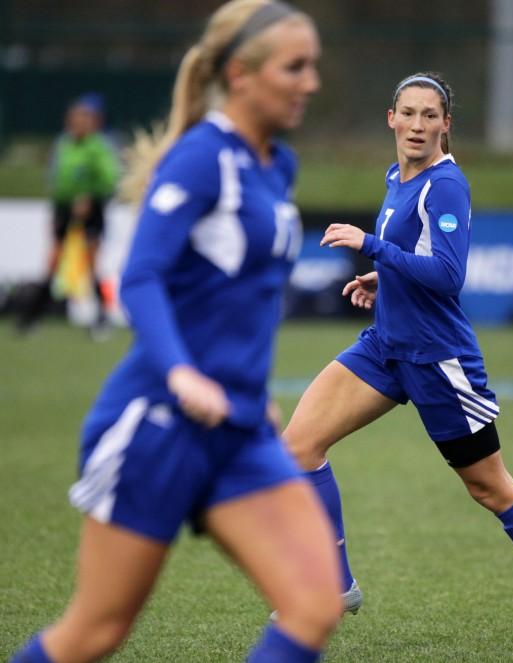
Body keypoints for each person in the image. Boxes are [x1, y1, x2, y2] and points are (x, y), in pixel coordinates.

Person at [9, 2, 341, 662]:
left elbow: (238, 294)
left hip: (238, 427)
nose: (311, 82)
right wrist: (183, 371)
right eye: (295, 67)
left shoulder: (279, 166)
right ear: (241, 75)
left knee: (314, 604)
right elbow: (140, 277)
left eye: (315, 67)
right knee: (94, 632)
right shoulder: (200, 159)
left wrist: (247, 384)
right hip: (157, 424)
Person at [281, 71, 513, 660]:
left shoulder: (444, 186)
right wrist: (384, 281)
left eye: (432, 115)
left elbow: (450, 276)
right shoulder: (395, 177)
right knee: (298, 446)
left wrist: (372, 248)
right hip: (384, 346)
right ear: (391, 118)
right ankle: (333, 585)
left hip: (437, 361)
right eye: (409, 113)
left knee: (491, 488)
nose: (419, 125)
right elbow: (417, 261)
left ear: (446, 125)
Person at [16, 93, 120, 338]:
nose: (79, 122)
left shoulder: (99, 146)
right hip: (64, 209)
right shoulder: (63, 143)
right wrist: (61, 205)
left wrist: (89, 195)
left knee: (92, 264)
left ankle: (102, 318)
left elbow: (109, 178)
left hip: (92, 208)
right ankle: (31, 318)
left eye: (84, 117)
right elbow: (56, 179)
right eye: (75, 117)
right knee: (53, 263)